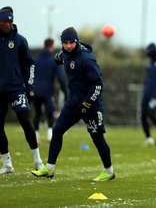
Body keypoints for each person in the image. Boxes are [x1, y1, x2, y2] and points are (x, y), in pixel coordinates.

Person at [31, 27, 115, 181]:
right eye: (65, 43)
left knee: (97, 138)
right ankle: (49, 169)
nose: (69, 45)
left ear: (76, 41)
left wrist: (87, 103)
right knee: (57, 130)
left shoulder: (87, 59)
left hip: (91, 105)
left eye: (71, 42)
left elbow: (98, 84)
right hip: (73, 104)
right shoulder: (64, 54)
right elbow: (59, 58)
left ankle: (109, 171)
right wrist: (57, 58)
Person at [0, 6, 44, 174]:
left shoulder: (20, 40)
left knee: (26, 121)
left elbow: (29, 64)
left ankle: (38, 161)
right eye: (4, 21)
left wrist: (30, 86)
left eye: (10, 21)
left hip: (17, 89)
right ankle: (7, 165)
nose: (8, 24)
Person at [33, 38, 68, 142]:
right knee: (50, 112)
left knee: (37, 113)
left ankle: (36, 135)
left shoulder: (36, 59)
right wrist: (65, 91)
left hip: (35, 91)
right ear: (52, 46)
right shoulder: (54, 60)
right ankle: (50, 135)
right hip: (48, 91)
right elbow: (61, 78)